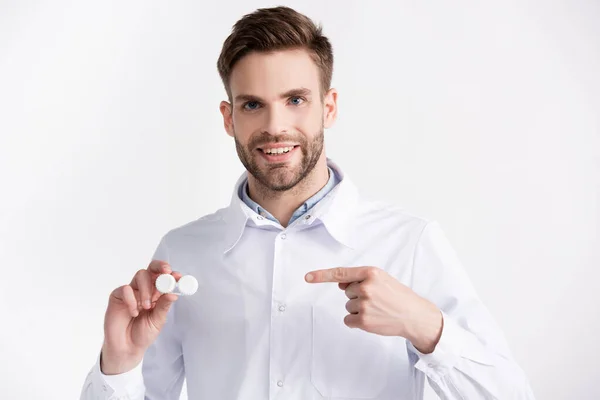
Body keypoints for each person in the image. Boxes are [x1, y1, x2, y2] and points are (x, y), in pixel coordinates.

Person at [80, 6, 535, 400]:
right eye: (253, 105)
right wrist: (118, 363)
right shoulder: (182, 254)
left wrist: (428, 328)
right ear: (229, 117)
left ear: (329, 107)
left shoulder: (409, 244)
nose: (276, 126)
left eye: (295, 99)